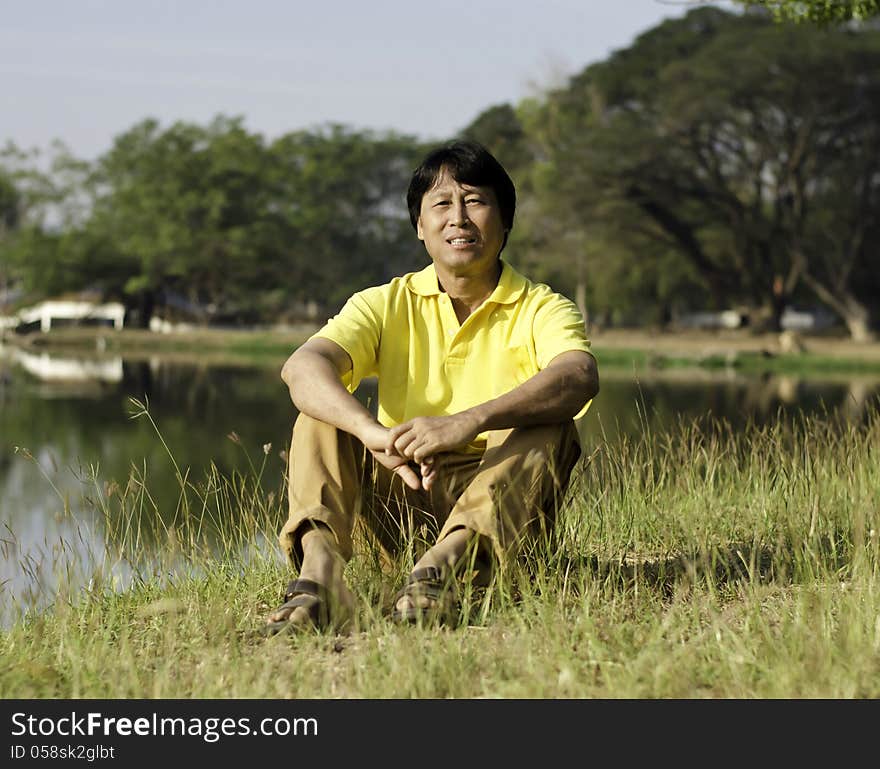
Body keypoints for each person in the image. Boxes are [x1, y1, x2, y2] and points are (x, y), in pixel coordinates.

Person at [265, 139, 599, 634]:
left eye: (476, 201)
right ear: (420, 228)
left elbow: (578, 375)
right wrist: (371, 432)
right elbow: (303, 366)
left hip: (497, 507)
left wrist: (468, 421)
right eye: (441, 204)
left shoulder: (541, 307)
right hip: (402, 488)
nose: (459, 218)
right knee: (320, 412)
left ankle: (443, 568)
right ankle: (321, 577)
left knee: (550, 421)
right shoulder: (386, 301)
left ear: (505, 221)